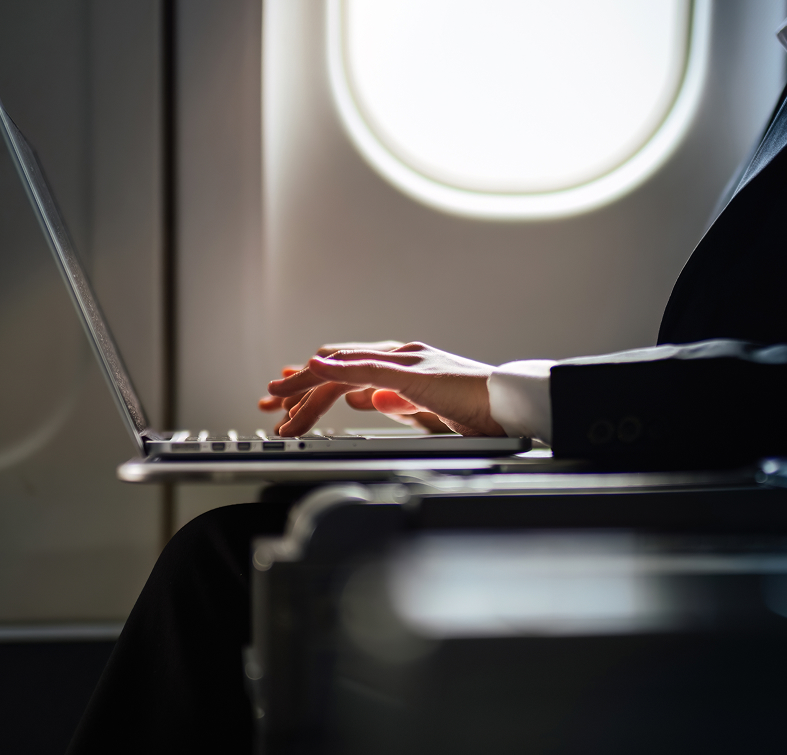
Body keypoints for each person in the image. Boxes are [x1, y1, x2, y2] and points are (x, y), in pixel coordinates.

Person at [68, 29, 787, 755]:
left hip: (738, 534)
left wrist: (508, 396)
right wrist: (518, 430)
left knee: (229, 561)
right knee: (263, 530)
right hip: (715, 492)